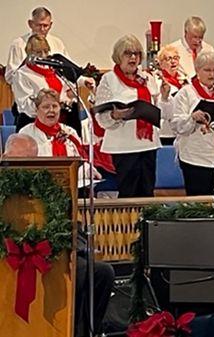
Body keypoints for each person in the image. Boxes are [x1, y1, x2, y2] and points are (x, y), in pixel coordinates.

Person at [3, 131, 115, 337]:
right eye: (17, 160)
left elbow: (68, 221)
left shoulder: (47, 185)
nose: (23, 167)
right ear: (4, 157)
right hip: (8, 256)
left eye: (30, 161)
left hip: (50, 253)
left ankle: (85, 331)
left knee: (100, 272)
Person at [95, 34, 166, 198]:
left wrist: (165, 96)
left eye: (136, 53)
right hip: (123, 146)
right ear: (119, 56)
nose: (133, 57)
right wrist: (115, 115)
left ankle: (145, 224)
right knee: (128, 193)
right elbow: (101, 117)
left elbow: (160, 111)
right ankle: (129, 224)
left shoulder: (147, 78)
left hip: (148, 144)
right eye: (128, 53)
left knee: (147, 191)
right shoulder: (109, 80)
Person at [171, 49, 214, 196]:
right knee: (198, 203)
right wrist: (192, 118)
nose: (212, 74)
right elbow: (176, 124)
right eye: (207, 70)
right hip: (195, 157)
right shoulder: (186, 93)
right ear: (197, 70)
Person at [11, 34, 79, 133]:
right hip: (33, 124)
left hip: (60, 122)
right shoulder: (22, 74)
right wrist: (48, 104)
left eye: (46, 51)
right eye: (38, 52)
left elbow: (67, 92)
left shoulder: (55, 70)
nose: (43, 55)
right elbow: (25, 104)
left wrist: (69, 96)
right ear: (29, 53)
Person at [5, 6, 67, 85]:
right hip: (28, 92)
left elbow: (68, 71)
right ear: (30, 24)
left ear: (51, 25)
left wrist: (83, 81)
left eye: (45, 26)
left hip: (54, 92)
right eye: (38, 25)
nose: (42, 29)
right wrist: (26, 66)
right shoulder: (18, 44)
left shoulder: (58, 43)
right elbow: (10, 78)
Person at [155, 45, 187, 145]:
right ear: (160, 63)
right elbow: (158, 110)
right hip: (165, 132)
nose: (173, 62)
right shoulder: (157, 82)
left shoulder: (185, 80)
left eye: (175, 58)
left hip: (182, 131)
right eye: (168, 59)